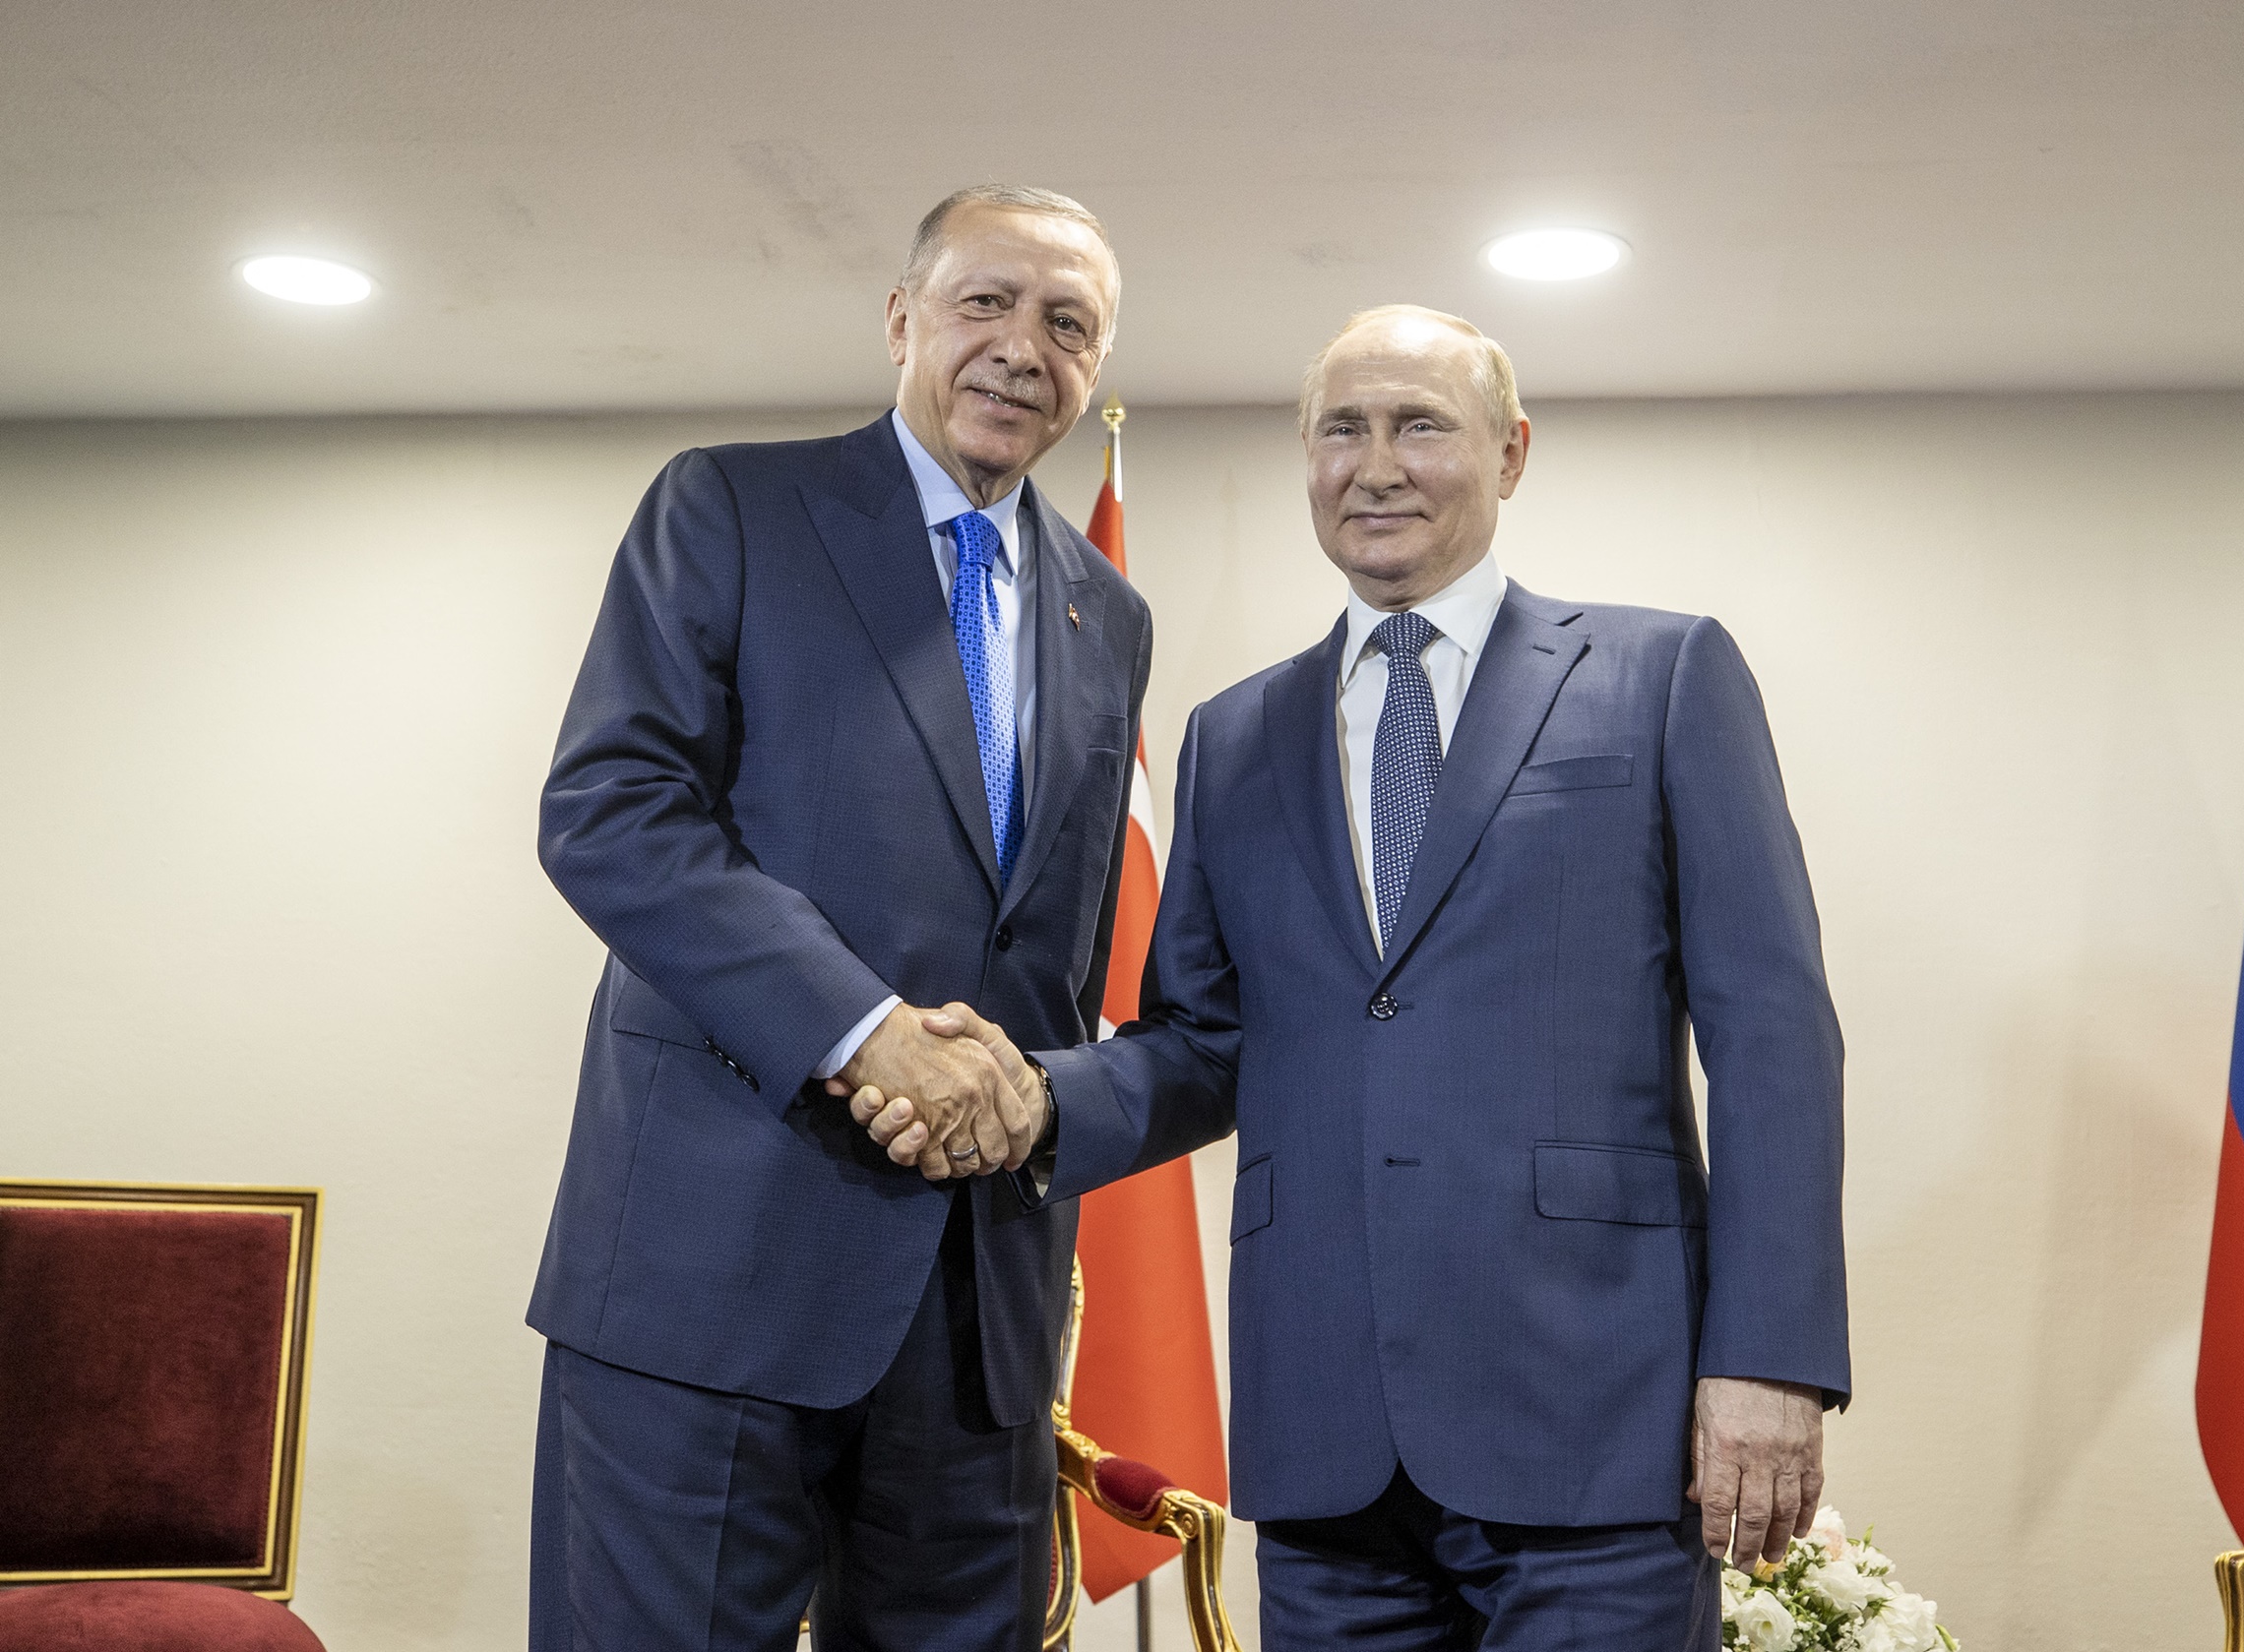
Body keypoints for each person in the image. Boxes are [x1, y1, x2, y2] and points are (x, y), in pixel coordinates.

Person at [860, 305, 1848, 1650]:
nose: (1373, 464)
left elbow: (1775, 1035)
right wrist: (1033, 1101)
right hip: (1327, 1442)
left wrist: (1770, 1358)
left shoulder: (1663, 676)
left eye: (1418, 425)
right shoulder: (1233, 736)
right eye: (1341, 429)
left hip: (1596, 1419)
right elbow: (1204, 1041)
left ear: (1510, 454)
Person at [529, 183, 1146, 1651]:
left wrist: (1023, 1102)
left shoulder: (1104, 614)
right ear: (900, 321)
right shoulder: (731, 505)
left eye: (1066, 324)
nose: (1020, 348)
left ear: (1095, 368)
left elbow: (1054, 959)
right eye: (983, 303)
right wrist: (867, 1036)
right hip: (711, 1275)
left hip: (976, 1318)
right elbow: (612, 809)